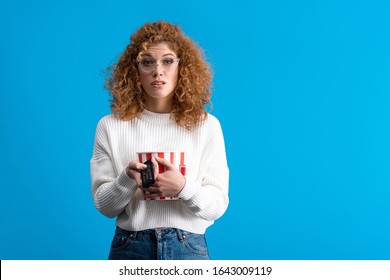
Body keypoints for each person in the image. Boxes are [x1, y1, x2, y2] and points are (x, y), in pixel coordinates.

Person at [90, 21, 229, 260]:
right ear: (135, 70)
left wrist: (184, 187)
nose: (157, 71)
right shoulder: (110, 126)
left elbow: (217, 205)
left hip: (188, 247)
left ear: (182, 67)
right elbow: (104, 206)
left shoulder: (207, 125)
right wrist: (126, 178)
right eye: (147, 62)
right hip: (130, 246)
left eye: (167, 61)